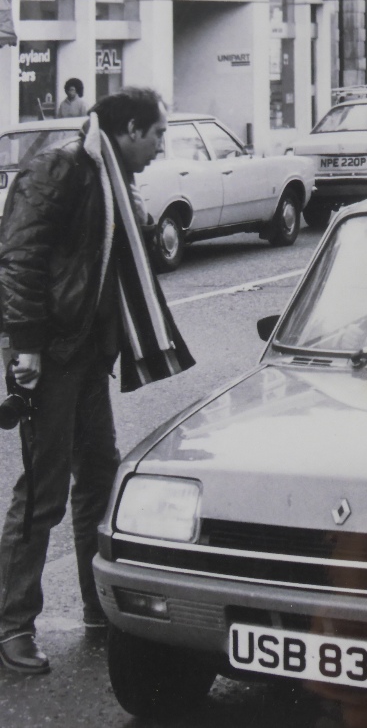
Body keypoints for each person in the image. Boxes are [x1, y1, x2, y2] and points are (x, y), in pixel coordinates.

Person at [0, 87, 193, 675]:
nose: (162, 147)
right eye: (158, 134)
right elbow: (19, 259)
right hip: (53, 354)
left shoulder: (111, 178)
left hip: (87, 357)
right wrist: (26, 346)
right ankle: (10, 626)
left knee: (100, 482)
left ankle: (96, 607)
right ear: (131, 129)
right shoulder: (61, 169)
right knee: (42, 492)